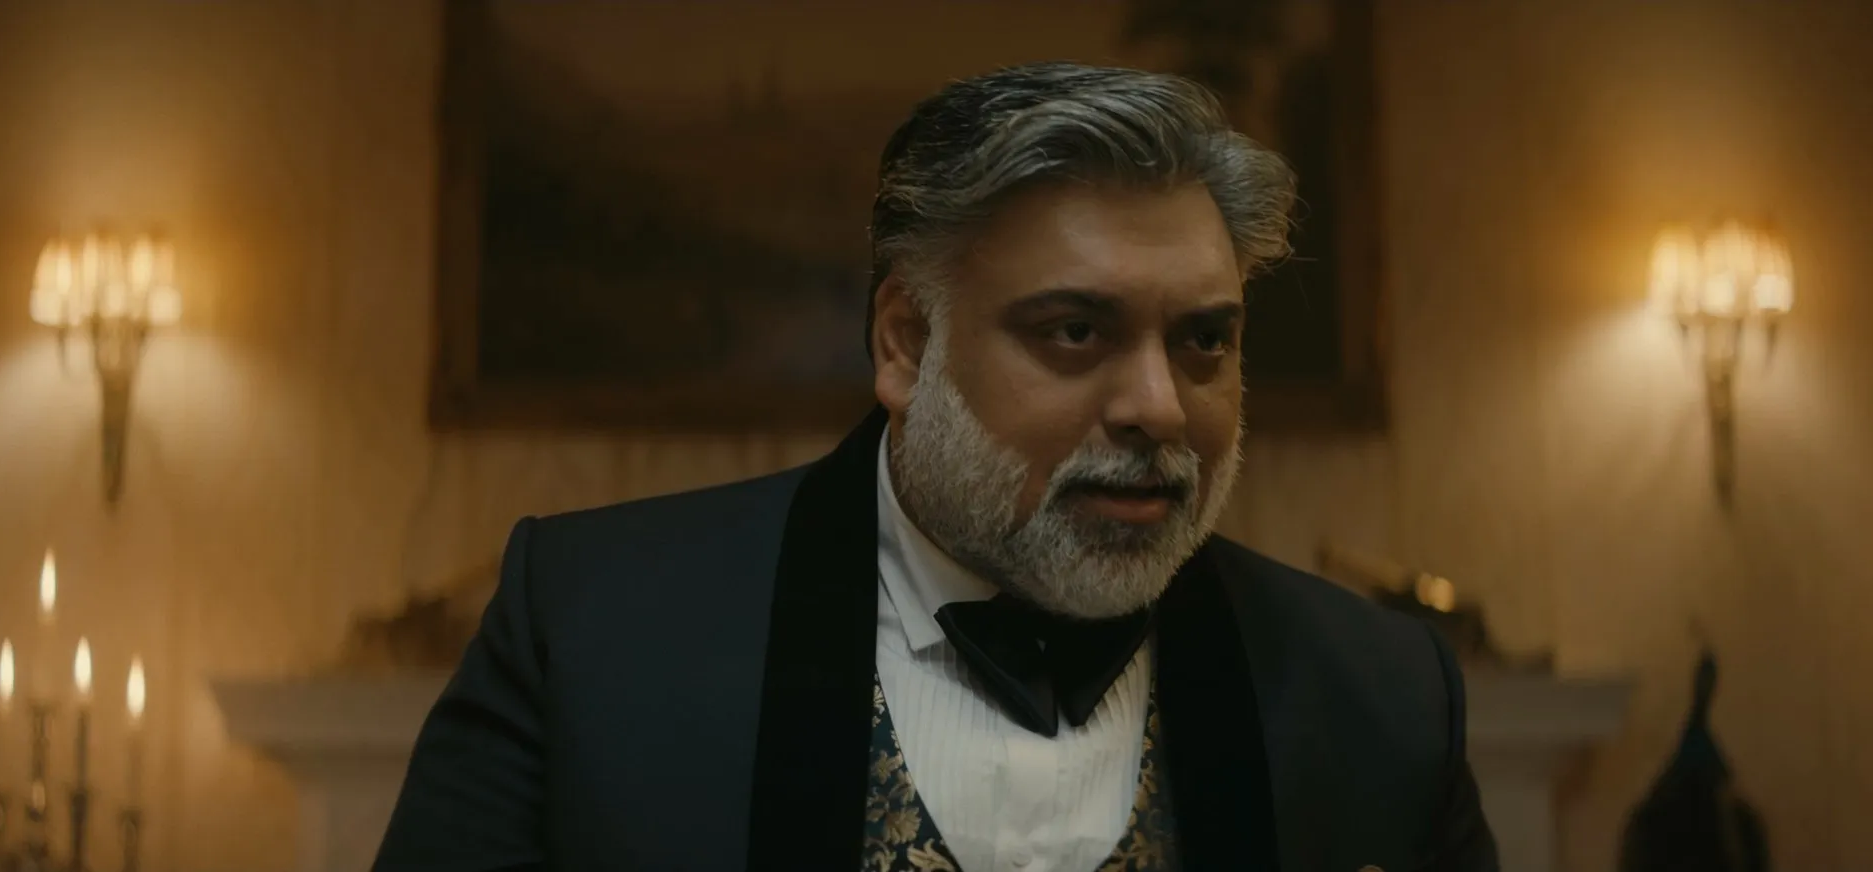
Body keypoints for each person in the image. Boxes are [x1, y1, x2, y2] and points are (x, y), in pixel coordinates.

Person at [374, 62, 1498, 872]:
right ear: (906, 345)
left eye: (1204, 339)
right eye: (1075, 331)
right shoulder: (591, 632)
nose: (1160, 406)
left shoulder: (1383, 693)